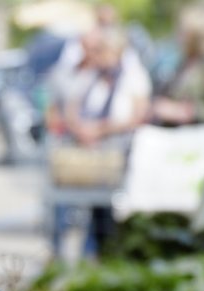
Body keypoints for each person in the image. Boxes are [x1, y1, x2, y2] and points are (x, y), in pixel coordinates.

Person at [60, 27, 151, 254]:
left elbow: (138, 115)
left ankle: (112, 253)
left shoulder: (132, 76)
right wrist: (81, 129)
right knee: (94, 211)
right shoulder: (91, 76)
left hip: (120, 152)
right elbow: (71, 106)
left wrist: (101, 129)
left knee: (114, 212)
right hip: (92, 156)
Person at [151, 4, 204, 127]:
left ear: (197, 35)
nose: (178, 36)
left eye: (183, 31)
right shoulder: (186, 62)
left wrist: (184, 112)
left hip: (201, 140)